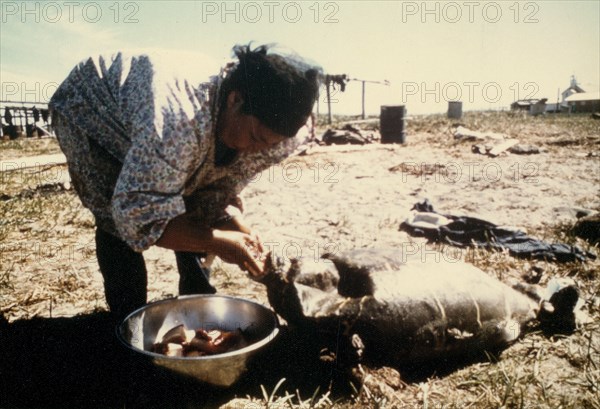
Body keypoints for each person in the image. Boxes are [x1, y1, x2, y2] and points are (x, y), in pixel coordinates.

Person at [49, 44, 321, 318]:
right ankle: (129, 318)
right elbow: (135, 215)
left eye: (269, 144)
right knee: (115, 225)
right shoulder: (177, 123)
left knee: (195, 199)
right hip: (92, 109)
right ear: (234, 100)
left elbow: (215, 190)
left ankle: (197, 297)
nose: (259, 150)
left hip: (160, 124)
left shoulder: (277, 133)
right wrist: (218, 242)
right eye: (256, 138)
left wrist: (237, 230)